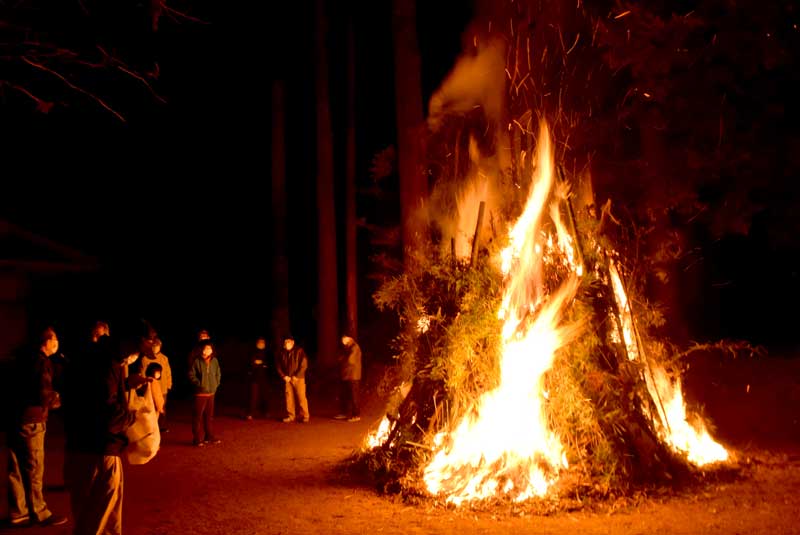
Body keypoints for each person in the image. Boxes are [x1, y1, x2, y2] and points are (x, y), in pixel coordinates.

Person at [64, 337, 145, 535]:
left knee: (95, 514)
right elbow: (108, 415)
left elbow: (93, 398)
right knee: (98, 516)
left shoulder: (86, 361)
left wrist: (126, 385)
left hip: (80, 446)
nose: (133, 359)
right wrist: (134, 415)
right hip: (100, 451)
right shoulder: (108, 367)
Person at [6, 327, 68, 527]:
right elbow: (43, 394)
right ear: (47, 341)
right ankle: (39, 511)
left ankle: (19, 511)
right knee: (33, 467)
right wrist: (57, 400)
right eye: (55, 339)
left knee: (15, 467)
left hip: (13, 417)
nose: (57, 343)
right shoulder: (41, 362)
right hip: (32, 419)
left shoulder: (18, 357)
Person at [132, 337, 172, 432]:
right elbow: (142, 372)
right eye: (154, 346)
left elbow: (168, 372)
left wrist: (169, 384)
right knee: (151, 407)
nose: (155, 348)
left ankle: (160, 426)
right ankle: (150, 427)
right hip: (150, 386)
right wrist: (143, 383)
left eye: (157, 346)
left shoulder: (164, 358)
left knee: (161, 406)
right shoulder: (145, 358)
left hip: (162, 387)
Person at [188, 340, 221, 446]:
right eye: (206, 348)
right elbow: (191, 375)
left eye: (210, 348)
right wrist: (199, 384)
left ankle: (209, 436)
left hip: (211, 393)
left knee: (209, 416)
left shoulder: (214, 360)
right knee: (197, 416)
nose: (208, 350)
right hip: (200, 394)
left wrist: (215, 384)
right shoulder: (196, 361)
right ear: (201, 349)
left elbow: (218, 373)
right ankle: (197, 439)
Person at [275, 335, 309, 423]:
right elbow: (278, 366)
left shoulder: (299, 351)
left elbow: (304, 364)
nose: (287, 343)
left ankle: (305, 415)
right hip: (287, 379)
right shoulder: (282, 353)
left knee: (301, 397)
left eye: (289, 341)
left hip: (298, 378)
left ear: (293, 342)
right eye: (285, 342)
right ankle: (291, 416)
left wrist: (296, 376)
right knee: (289, 398)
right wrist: (284, 376)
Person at [334, 335, 362, 422]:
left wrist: (343, 359)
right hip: (346, 376)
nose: (342, 340)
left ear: (349, 338)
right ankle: (345, 413)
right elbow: (340, 358)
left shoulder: (354, 347)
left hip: (353, 376)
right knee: (346, 395)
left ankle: (356, 415)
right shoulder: (347, 347)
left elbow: (351, 360)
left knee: (354, 396)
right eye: (342, 338)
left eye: (344, 338)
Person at [245, 336, 270, 420]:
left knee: (265, 395)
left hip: (264, 378)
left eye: (263, 343)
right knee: (253, 396)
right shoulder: (252, 352)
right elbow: (250, 363)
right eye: (259, 342)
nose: (261, 344)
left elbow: (269, 364)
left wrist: (262, 363)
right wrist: (255, 363)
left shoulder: (267, 353)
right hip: (254, 378)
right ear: (256, 343)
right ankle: (250, 413)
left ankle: (265, 411)